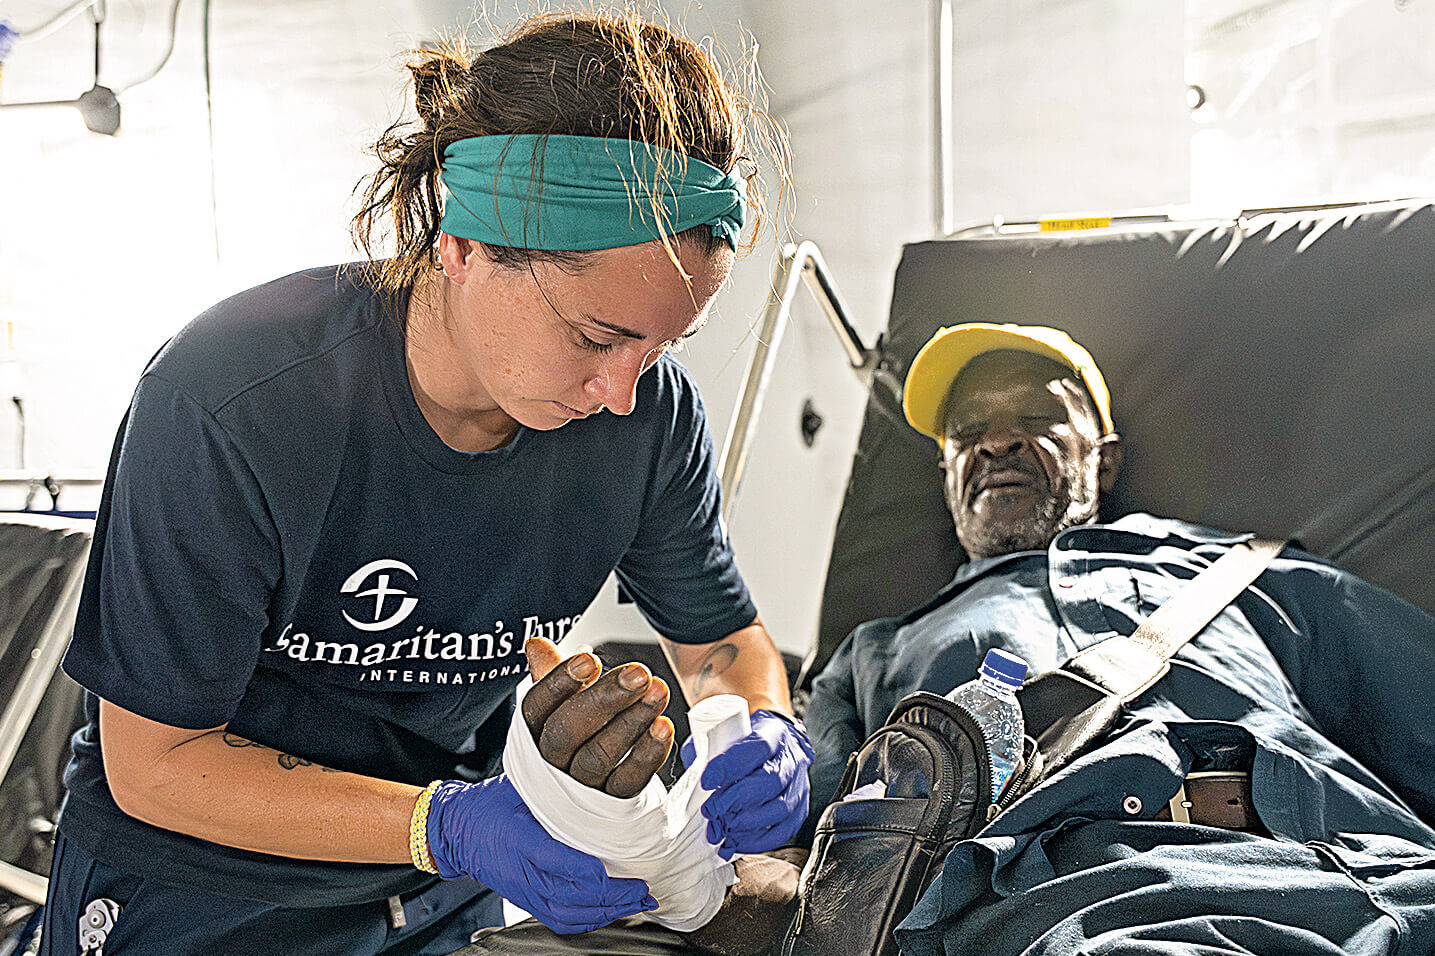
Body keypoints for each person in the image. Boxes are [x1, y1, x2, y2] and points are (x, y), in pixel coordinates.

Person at [41, 11, 812, 955]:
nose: (622, 392)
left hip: (440, 897)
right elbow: (155, 766)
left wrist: (762, 729)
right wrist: (449, 823)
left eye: (663, 345)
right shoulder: (235, 400)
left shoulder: (648, 419)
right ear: (462, 248)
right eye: (596, 337)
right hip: (200, 892)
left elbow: (716, 643)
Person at [803, 322, 1435, 955]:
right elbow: (822, 857)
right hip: (1060, 913)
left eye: (1037, 417)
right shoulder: (871, 655)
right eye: (967, 433)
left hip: (1361, 882)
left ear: (1103, 461)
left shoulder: (1255, 574)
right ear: (947, 475)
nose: (996, 442)